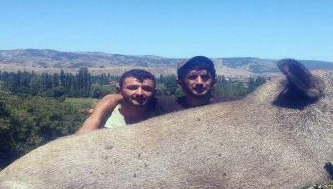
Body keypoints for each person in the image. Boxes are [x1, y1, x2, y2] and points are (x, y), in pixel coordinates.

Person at [76, 56, 238, 133]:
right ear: (180, 83)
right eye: (192, 77)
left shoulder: (230, 104)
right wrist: (92, 122)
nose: (199, 82)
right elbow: (117, 97)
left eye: (205, 77)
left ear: (214, 81)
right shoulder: (168, 104)